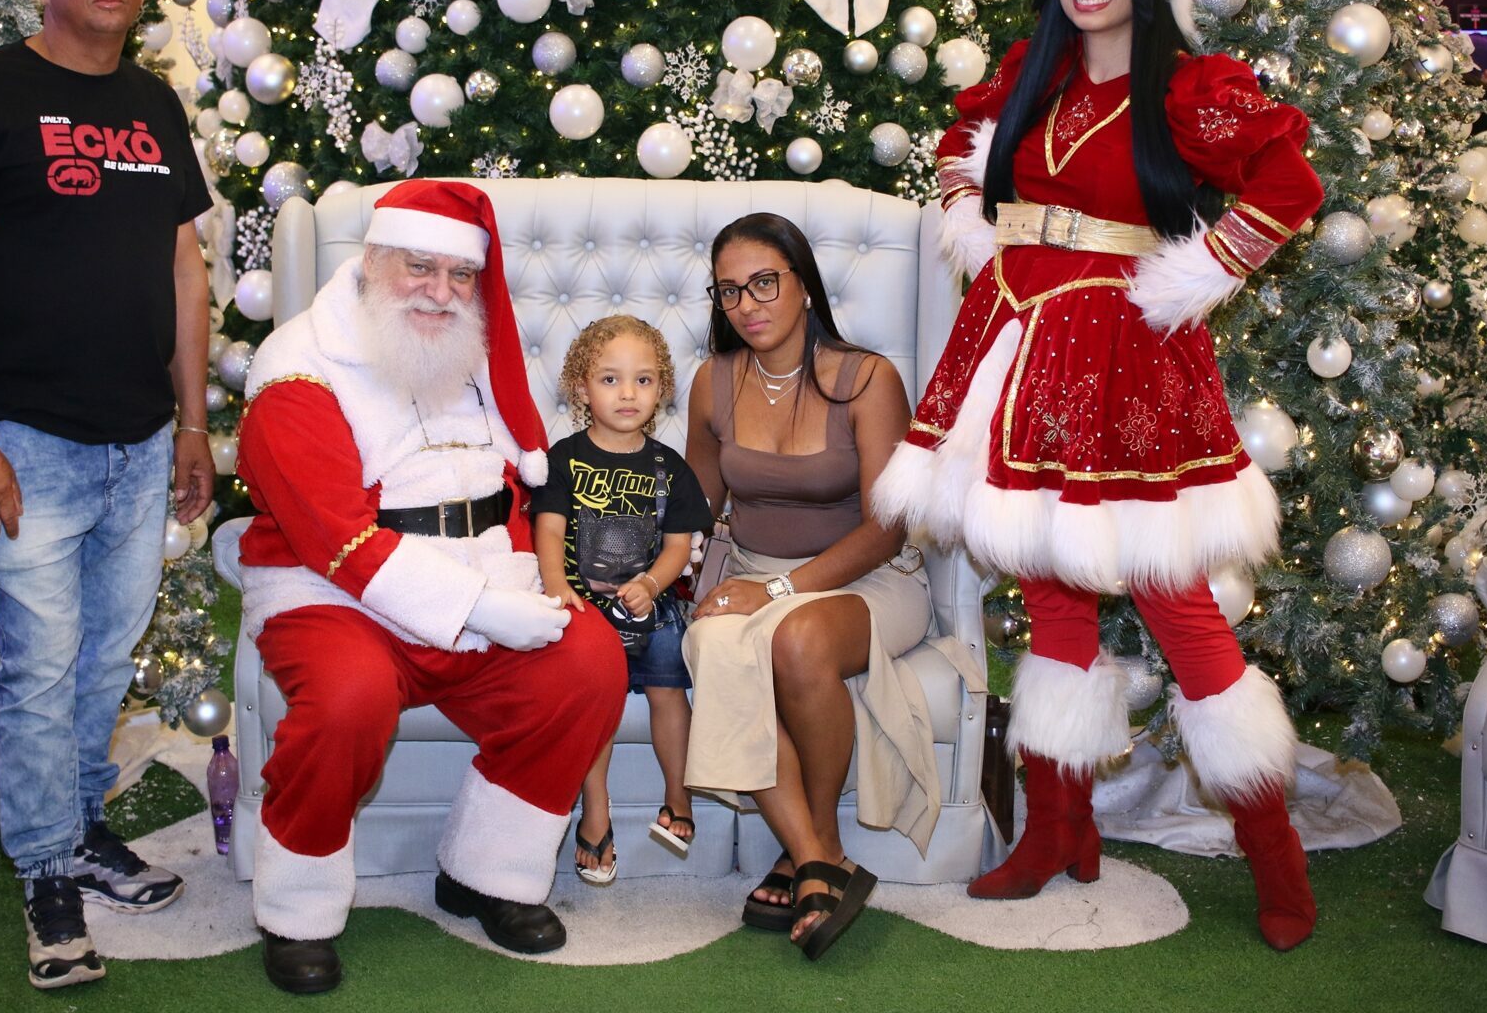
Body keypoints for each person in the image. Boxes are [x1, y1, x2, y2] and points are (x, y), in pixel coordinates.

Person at [872, 0, 1326, 951]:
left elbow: (1289, 185)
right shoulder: (1033, 76)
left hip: (1127, 357)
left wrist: (1196, 274)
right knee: (1051, 593)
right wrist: (975, 224)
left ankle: (1275, 854)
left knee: (1178, 602)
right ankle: (1055, 831)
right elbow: (960, 145)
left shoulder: (1189, 91)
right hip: (1015, 339)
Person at [0, 0, 213, 991]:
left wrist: (193, 421)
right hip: (26, 441)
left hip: (141, 437)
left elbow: (184, 269)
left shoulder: (153, 102)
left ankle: (78, 826)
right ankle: (45, 868)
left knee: (104, 660)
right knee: (40, 666)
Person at [234, 179, 627, 995]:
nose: (441, 292)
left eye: (459, 275)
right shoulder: (295, 367)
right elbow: (336, 539)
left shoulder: (468, 350)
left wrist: (525, 582)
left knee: (589, 661)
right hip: (331, 593)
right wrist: (481, 610)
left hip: (482, 572)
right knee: (347, 700)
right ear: (373, 260)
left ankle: (487, 875)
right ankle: (297, 911)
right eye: (420, 267)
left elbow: (509, 485)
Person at [684, 212, 955, 961]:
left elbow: (887, 530)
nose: (748, 304)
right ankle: (814, 857)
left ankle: (819, 843)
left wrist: (778, 592)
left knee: (797, 639)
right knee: (713, 644)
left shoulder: (867, 378)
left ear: (803, 284)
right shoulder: (713, 382)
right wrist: (643, 572)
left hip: (866, 580)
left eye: (764, 282)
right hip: (750, 572)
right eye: (729, 290)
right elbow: (696, 509)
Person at [530, 315, 713, 884]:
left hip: (651, 607)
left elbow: (679, 546)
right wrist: (557, 587)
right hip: (585, 611)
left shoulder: (669, 468)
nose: (628, 393)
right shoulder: (563, 459)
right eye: (610, 379)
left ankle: (678, 794)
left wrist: (652, 584)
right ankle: (596, 807)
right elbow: (549, 529)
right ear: (581, 388)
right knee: (596, 698)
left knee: (669, 688)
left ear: (661, 390)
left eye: (643, 380)